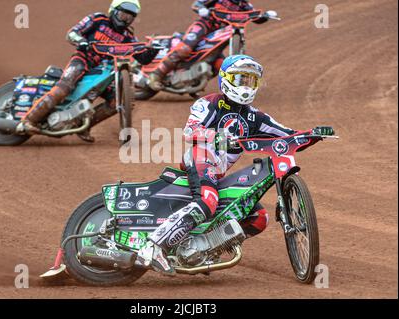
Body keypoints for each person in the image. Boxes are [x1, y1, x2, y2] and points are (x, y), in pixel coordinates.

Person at [138, 55, 334, 275]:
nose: (246, 86)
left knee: (258, 218)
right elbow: (190, 131)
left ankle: (205, 248)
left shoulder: (255, 117)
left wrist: (313, 134)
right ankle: (153, 245)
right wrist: (218, 136)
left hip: (219, 173)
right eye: (240, 79)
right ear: (225, 79)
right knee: (208, 201)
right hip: (200, 157)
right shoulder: (208, 103)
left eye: (250, 81)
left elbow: (288, 136)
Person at [21, 0, 159, 143]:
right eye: (123, 15)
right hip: (83, 60)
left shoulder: (128, 36)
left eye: (130, 17)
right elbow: (72, 33)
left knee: (115, 101)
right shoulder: (98, 19)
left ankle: (84, 126)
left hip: (103, 71)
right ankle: (29, 120)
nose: (125, 20)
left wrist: (153, 50)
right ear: (113, 10)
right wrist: (81, 41)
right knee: (64, 88)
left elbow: (143, 59)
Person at [147, 0, 277, 91]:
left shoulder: (245, 5)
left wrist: (266, 15)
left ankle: (194, 83)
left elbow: (255, 17)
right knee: (185, 48)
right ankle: (157, 75)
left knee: (220, 65)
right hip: (205, 26)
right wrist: (202, 9)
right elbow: (197, 4)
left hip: (217, 39)